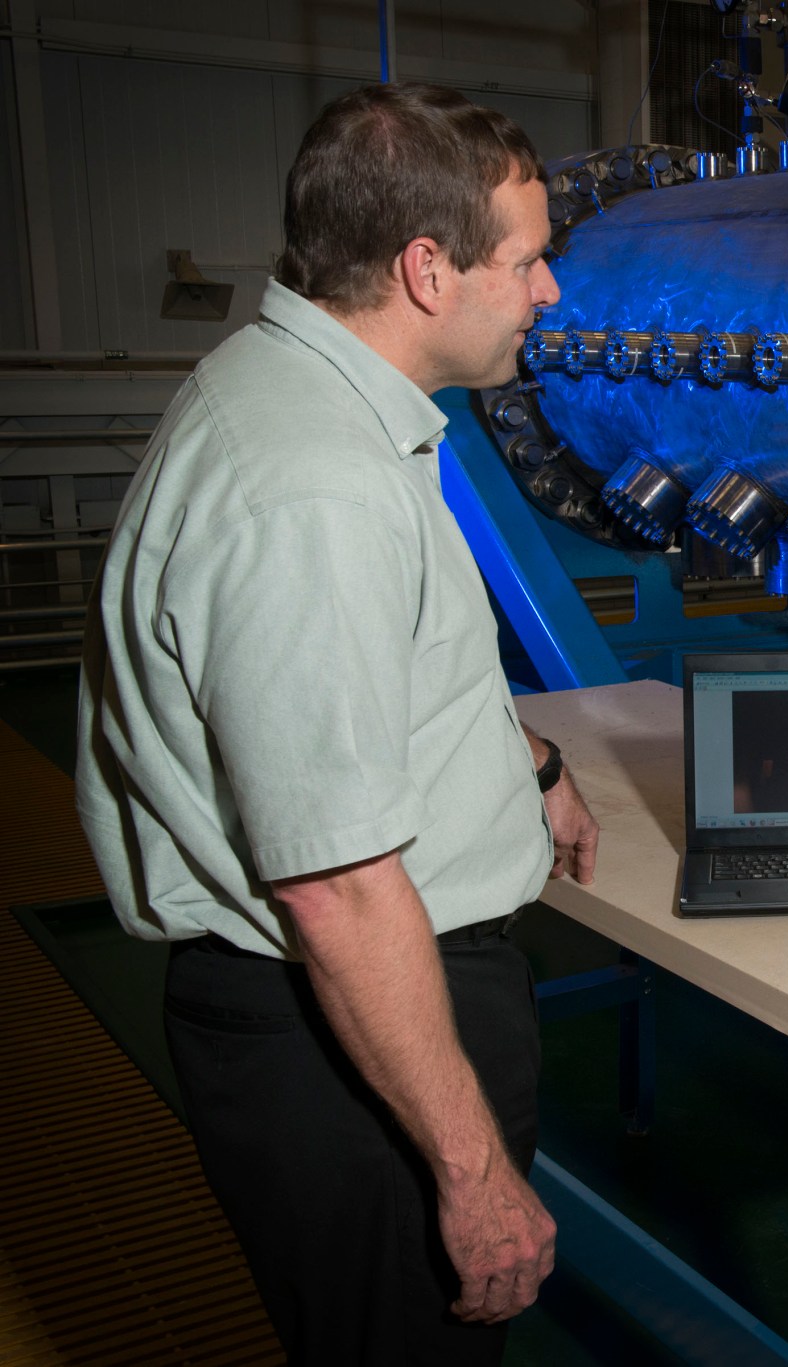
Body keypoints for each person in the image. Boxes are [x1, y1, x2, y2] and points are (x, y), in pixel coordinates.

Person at [75, 84, 598, 1366]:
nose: (550, 294)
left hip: (359, 998)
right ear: (428, 269)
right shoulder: (311, 488)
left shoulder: (306, 406)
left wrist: (529, 764)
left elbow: (371, 688)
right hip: (348, 1026)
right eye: (528, 260)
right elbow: (340, 890)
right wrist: (471, 1173)